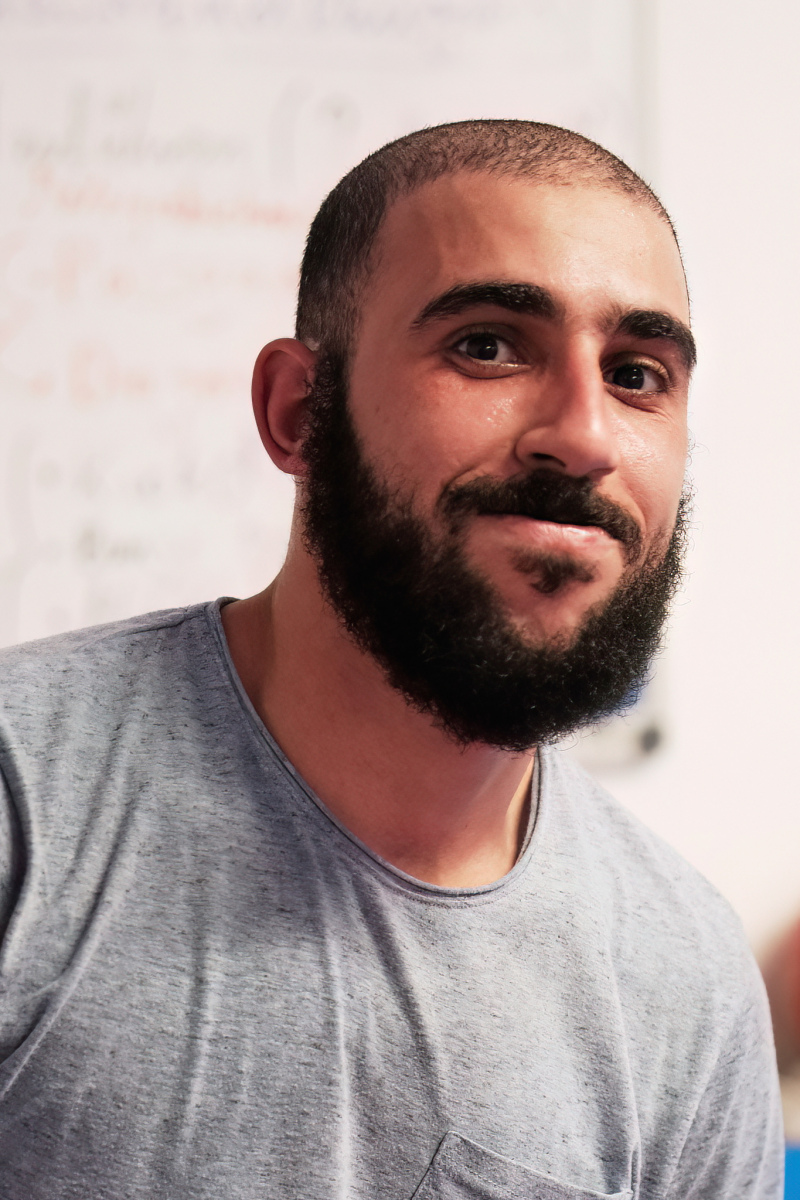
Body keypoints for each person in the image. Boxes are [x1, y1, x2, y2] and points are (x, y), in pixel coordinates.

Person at [0, 121, 783, 1198]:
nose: (584, 435)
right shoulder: (26, 807)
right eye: (488, 346)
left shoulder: (683, 977)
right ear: (298, 413)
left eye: (636, 374)